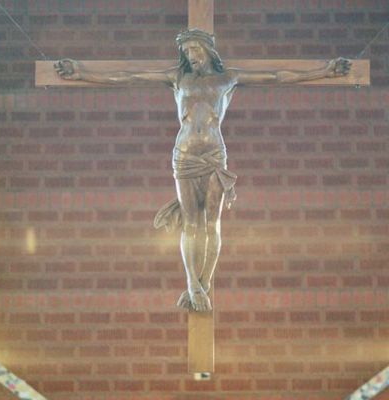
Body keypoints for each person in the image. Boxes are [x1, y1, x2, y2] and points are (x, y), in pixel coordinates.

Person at [54, 29, 351, 312]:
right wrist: (82, 74)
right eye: (186, 51)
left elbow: (277, 76)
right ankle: (192, 284)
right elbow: (129, 77)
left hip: (213, 156)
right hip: (184, 156)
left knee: (212, 222)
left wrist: (324, 71)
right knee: (191, 222)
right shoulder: (178, 77)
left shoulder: (227, 79)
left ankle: (203, 283)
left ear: (207, 49)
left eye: (194, 49)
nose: (191, 55)